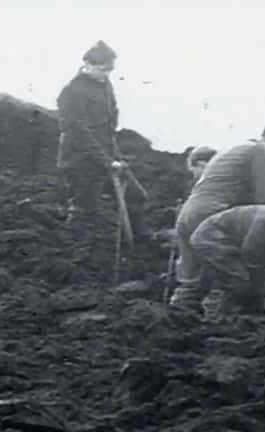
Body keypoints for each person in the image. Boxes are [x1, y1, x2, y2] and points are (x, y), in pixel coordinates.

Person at [170, 124, 265, 308]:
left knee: (192, 280)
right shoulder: (258, 151)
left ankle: (175, 320)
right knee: (227, 277)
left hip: (189, 213)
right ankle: (222, 325)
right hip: (212, 216)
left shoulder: (233, 150)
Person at [56, 40, 147, 271]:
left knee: (137, 197)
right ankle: (75, 262)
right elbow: (79, 133)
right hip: (80, 161)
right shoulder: (71, 92)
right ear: (87, 63)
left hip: (107, 155)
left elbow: (109, 123)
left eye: (109, 70)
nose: (106, 74)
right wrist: (106, 162)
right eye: (102, 69)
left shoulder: (104, 84)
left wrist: (113, 154)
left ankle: (139, 250)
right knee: (84, 211)